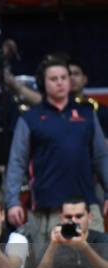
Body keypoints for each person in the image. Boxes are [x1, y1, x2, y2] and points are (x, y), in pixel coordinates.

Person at [6, 55, 108, 255]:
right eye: (54, 79)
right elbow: (17, 162)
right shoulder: (30, 118)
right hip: (48, 208)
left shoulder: (87, 114)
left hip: (86, 206)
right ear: (43, 83)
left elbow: (101, 157)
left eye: (64, 77)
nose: (60, 82)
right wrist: (12, 201)